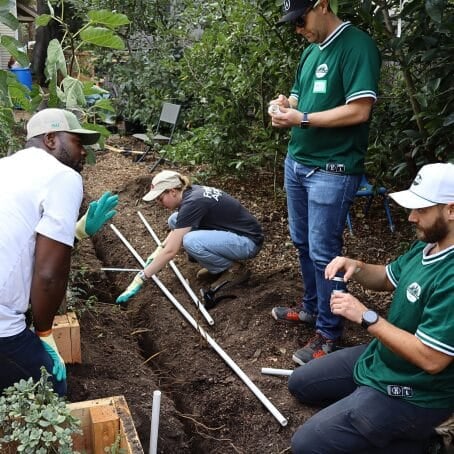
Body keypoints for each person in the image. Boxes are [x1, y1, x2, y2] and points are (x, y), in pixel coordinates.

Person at [288, 162, 454, 453]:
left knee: (306, 445)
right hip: (388, 357)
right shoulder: (430, 244)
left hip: (420, 390)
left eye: (422, 210)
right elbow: (388, 277)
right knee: (301, 383)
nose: (411, 217)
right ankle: (370, 401)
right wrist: (357, 266)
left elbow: (432, 360)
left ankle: (428, 439)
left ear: (451, 210)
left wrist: (365, 316)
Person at [268, 0, 381, 364]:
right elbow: (300, 96)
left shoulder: (357, 45)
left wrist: (302, 119)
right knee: (302, 242)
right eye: (293, 24)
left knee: (324, 252)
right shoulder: (312, 51)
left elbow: (359, 109)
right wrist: (285, 106)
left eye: (301, 20)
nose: (299, 29)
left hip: (332, 168)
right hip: (298, 162)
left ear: (322, 5)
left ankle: (330, 335)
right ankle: (313, 309)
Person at [0, 108, 118, 396]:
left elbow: (21, 241)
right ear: (51, 139)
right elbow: (49, 274)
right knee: (50, 383)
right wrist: (44, 333)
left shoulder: (5, 166)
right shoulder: (62, 176)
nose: (83, 154)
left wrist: (77, 233)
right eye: (77, 142)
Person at [116, 170, 263, 304]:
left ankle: (232, 269)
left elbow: (171, 251)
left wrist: (141, 278)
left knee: (190, 241)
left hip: (247, 242)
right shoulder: (190, 193)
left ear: (172, 191)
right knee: (174, 219)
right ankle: (219, 264)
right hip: (232, 232)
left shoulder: (192, 203)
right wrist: (158, 251)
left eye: (160, 199)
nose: (159, 203)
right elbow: (173, 236)